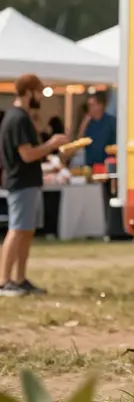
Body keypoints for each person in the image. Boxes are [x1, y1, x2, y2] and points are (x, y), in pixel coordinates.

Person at [0, 74, 69, 297]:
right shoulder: (18, 119)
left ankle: (19, 279)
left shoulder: (18, 117)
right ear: (29, 92)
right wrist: (51, 143)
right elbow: (27, 154)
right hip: (21, 182)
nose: (40, 97)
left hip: (26, 182)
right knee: (17, 230)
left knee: (26, 231)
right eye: (39, 92)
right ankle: (4, 281)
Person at [77, 93, 116, 168]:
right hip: (90, 165)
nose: (90, 108)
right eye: (88, 105)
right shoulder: (88, 123)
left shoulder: (111, 122)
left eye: (92, 105)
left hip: (107, 164)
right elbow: (79, 141)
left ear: (100, 106)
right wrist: (83, 125)